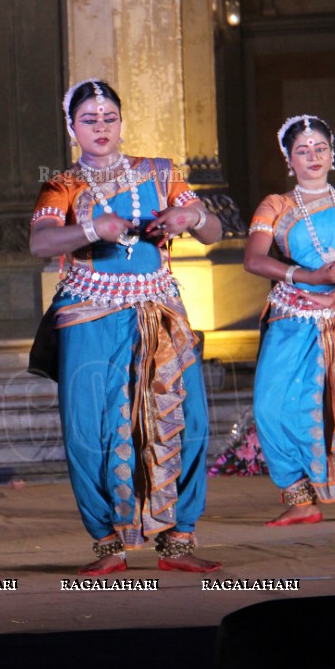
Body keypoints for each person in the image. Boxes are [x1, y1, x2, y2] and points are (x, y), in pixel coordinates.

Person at [29, 78, 223, 575]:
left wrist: (188, 216)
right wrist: (96, 228)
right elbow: (42, 244)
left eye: (109, 118)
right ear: (71, 126)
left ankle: (177, 542)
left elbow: (213, 230)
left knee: (186, 421)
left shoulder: (160, 172)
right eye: (89, 119)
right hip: (89, 315)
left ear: (121, 122)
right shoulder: (62, 183)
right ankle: (109, 544)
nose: (100, 127)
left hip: (160, 311)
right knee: (89, 429)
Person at [244, 114, 335, 526]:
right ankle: (299, 497)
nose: (313, 156)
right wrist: (308, 277)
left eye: (320, 148)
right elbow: (254, 259)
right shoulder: (277, 205)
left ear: (333, 153)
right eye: (302, 151)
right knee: (270, 404)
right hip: (292, 314)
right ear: (289, 160)